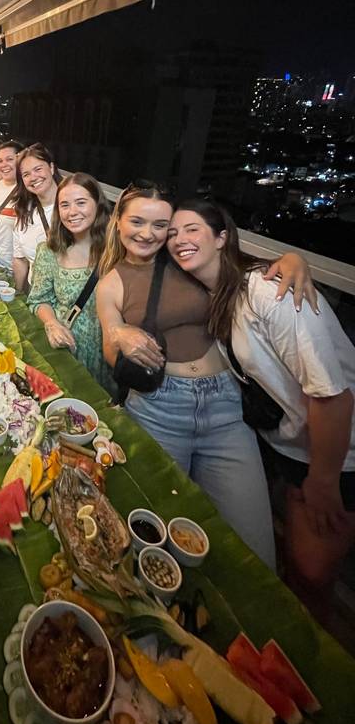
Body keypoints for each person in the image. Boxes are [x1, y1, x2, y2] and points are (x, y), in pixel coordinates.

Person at [96, 182, 314, 567]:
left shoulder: (187, 260)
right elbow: (110, 350)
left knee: (253, 544)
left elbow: (241, 270)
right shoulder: (112, 280)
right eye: (137, 221)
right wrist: (120, 334)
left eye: (160, 225)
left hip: (226, 410)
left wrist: (293, 258)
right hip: (158, 408)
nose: (147, 233)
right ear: (118, 222)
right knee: (162, 532)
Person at [168, 199, 355, 621]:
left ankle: (306, 664)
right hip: (288, 445)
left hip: (337, 453)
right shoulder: (218, 292)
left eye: (192, 229)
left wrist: (323, 483)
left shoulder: (270, 293)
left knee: (311, 573)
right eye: (173, 234)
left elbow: (333, 397)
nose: (179, 240)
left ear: (221, 238)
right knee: (291, 555)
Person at [28, 173, 117, 396]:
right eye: (64, 205)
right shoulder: (49, 251)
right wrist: (51, 324)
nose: (72, 212)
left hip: (107, 355)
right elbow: (39, 299)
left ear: (98, 204)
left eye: (81, 202)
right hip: (65, 349)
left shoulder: (117, 251)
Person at [12, 143, 59, 291]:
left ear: (51, 168)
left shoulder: (73, 210)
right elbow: (20, 259)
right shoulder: (24, 213)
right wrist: (18, 294)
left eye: (38, 169)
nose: (33, 177)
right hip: (36, 294)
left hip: (68, 298)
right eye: (26, 174)